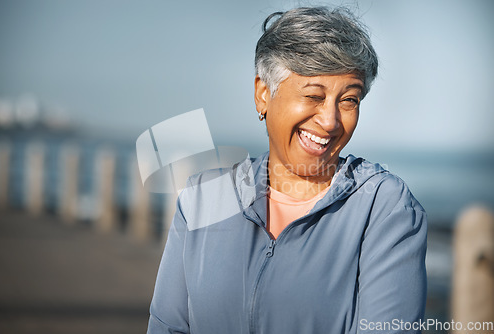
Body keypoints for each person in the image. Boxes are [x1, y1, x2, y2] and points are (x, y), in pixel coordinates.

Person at [147, 6, 427, 334]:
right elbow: (167, 327)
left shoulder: (383, 206)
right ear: (263, 94)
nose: (330, 121)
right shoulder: (202, 200)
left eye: (349, 100)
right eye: (313, 95)